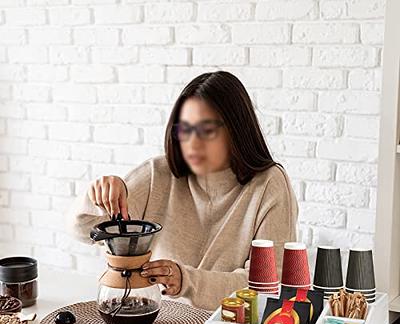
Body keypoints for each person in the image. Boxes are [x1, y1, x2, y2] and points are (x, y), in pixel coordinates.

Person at [66, 71, 299, 311]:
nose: (192, 143)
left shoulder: (269, 185)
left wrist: (186, 281)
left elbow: (268, 288)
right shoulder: (158, 173)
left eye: (206, 130)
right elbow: (82, 231)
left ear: (237, 130)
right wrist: (98, 196)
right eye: (184, 130)